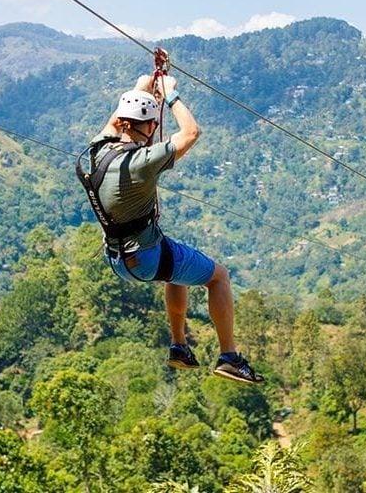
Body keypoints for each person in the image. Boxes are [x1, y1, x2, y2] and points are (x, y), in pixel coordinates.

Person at [77, 73, 264, 385]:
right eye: (152, 124)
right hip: (146, 257)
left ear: (123, 122)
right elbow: (191, 132)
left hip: (118, 258)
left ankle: (179, 346)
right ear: (148, 125)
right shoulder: (144, 160)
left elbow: (119, 117)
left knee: (174, 268)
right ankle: (229, 357)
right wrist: (170, 94)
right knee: (218, 277)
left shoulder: (99, 149)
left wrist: (142, 86)